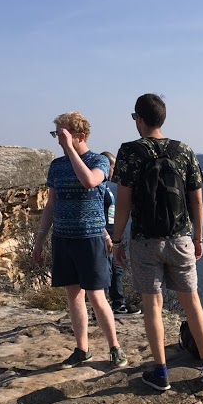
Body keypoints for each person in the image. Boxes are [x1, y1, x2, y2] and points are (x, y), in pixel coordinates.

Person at [111, 93, 203, 391]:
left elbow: (123, 200)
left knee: (152, 305)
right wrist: (198, 237)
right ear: (162, 119)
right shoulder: (184, 151)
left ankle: (161, 373)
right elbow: (197, 200)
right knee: (191, 301)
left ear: (139, 119)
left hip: (144, 242)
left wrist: (117, 241)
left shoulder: (129, 152)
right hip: (180, 240)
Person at [32, 111, 128, 369]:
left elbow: (89, 181)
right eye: (57, 135)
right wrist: (40, 239)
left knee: (97, 296)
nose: (59, 141)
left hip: (91, 238)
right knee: (74, 296)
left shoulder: (99, 161)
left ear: (80, 136)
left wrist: (71, 151)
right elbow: (51, 204)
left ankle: (114, 348)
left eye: (62, 135)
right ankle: (81, 349)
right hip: (64, 238)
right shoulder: (56, 166)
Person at [100, 151, 139, 318]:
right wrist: (107, 236)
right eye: (113, 166)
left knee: (116, 270)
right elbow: (95, 213)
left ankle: (118, 304)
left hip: (112, 235)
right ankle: (103, 308)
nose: (115, 171)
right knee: (107, 272)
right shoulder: (98, 187)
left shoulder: (107, 187)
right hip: (103, 236)